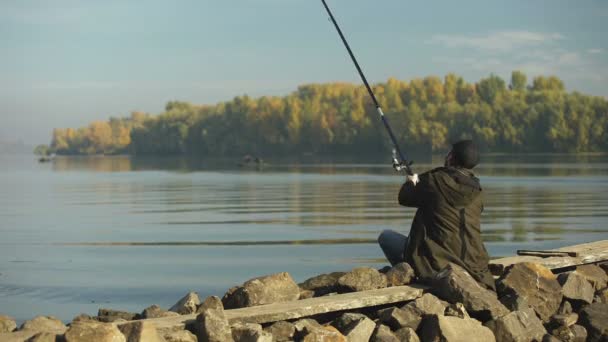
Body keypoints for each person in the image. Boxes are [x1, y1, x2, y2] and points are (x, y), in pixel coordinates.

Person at [378, 140, 495, 290]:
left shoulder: (434, 180)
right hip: (474, 265)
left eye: (449, 153)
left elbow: (404, 197)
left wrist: (410, 182)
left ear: (451, 158)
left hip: (436, 265)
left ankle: (412, 275)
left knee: (386, 237)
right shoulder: (478, 191)